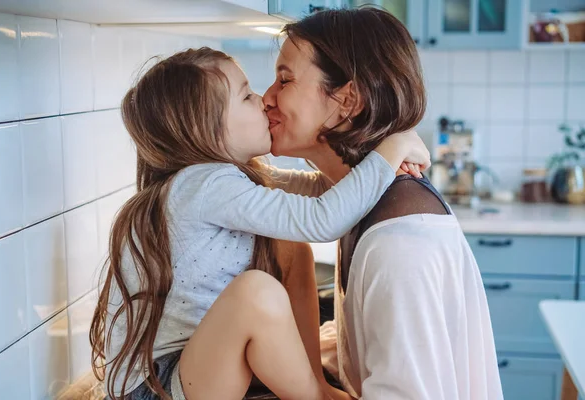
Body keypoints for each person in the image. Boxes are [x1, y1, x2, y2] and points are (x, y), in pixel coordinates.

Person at [89, 47, 430, 400]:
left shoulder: (222, 181)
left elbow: (319, 191)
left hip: (194, 369)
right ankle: (317, 397)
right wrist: (392, 148)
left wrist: (378, 167)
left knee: (292, 250)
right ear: (207, 126)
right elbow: (322, 219)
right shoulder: (204, 186)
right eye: (247, 95)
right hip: (155, 388)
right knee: (255, 292)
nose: (264, 101)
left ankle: (314, 382)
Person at [262, 7, 504, 400]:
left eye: (284, 80)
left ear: (348, 100)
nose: (266, 98)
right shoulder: (355, 196)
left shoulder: (401, 244)